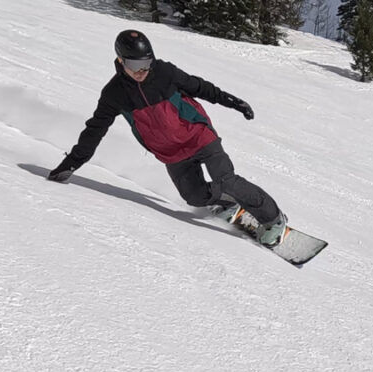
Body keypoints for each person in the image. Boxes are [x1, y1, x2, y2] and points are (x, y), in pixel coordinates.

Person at [47, 30, 288, 246]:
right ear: (121, 61)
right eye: (134, 64)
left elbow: (200, 87)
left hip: (198, 135)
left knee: (226, 179)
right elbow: (94, 130)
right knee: (194, 197)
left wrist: (233, 102)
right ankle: (225, 203)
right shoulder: (114, 94)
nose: (142, 70)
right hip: (171, 153)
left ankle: (273, 219)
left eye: (146, 63)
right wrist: (71, 164)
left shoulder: (164, 72)